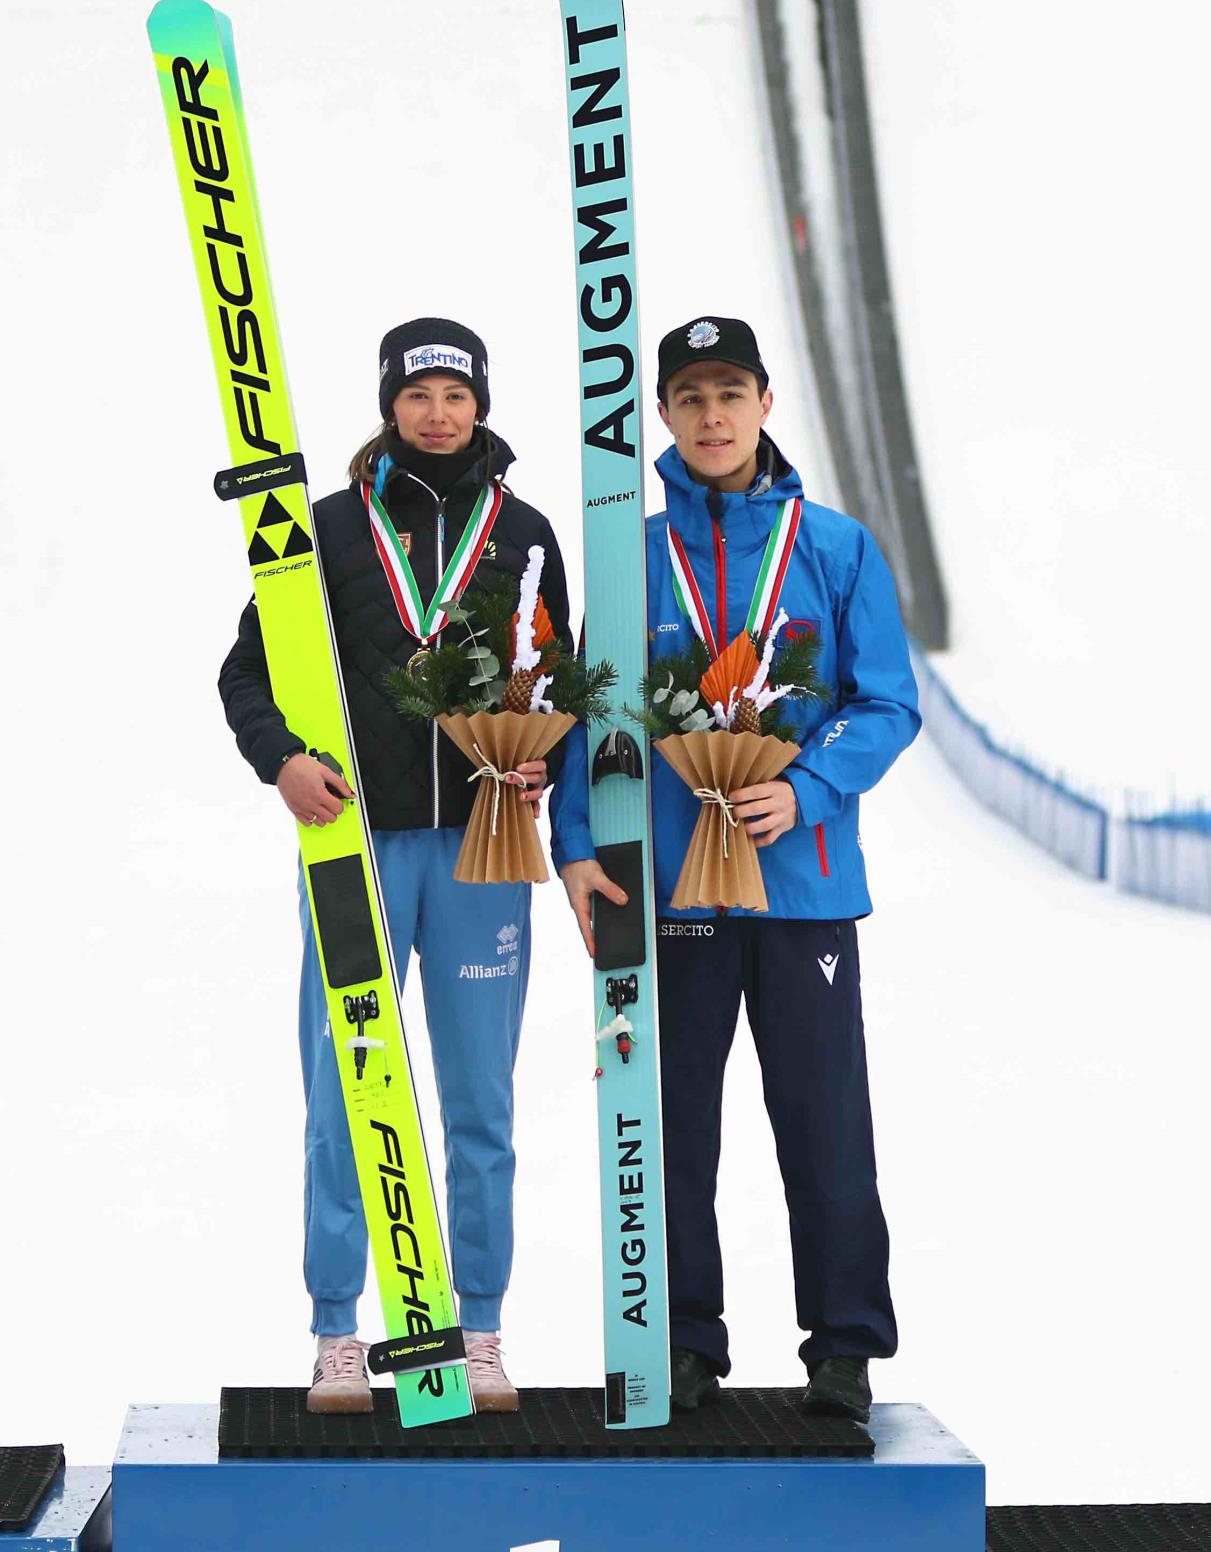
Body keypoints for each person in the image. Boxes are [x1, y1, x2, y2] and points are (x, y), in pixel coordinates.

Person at [549, 316, 919, 1422]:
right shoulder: (632, 552)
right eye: (689, 399)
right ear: (661, 415)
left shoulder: (836, 546)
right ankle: (683, 1341)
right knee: (670, 1125)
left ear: (764, 401)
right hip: (673, 887)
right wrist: (572, 842)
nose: (711, 418)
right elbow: (589, 711)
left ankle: (843, 1345)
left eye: (730, 394)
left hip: (799, 884)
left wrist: (803, 787)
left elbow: (887, 700)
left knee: (822, 1118)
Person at [220, 317, 571, 1413]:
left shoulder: (523, 530)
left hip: (482, 851)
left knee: (478, 1100)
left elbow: (557, 670)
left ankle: (477, 1329)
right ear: (389, 403)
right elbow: (246, 673)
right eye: (416, 394)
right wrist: (282, 762)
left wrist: (536, 761)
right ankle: (338, 1330)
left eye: (454, 395)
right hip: (356, 846)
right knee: (342, 1089)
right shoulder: (324, 530)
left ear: (479, 405)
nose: (437, 413)